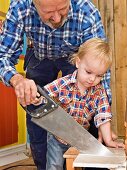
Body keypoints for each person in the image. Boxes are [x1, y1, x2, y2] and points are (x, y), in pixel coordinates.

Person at [0, 0, 111, 169]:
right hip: (39, 55)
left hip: (74, 57)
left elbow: (98, 64)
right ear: (33, 4)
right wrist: (17, 80)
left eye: (62, 9)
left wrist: (102, 118)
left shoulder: (86, 11)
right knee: (37, 113)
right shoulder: (19, 7)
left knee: (86, 103)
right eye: (49, 12)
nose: (57, 18)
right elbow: (3, 56)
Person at [42, 38, 125, 170]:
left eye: (99, 76)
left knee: (87, 163)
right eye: (88, 72)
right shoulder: (63, 84)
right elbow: (44, 95)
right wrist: (37, 99)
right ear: (78, 62)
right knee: (54, 165)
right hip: (58, 137)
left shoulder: (99, 92)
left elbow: (103, 116)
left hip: (81, 138)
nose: (92, 79)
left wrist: (108, 140)